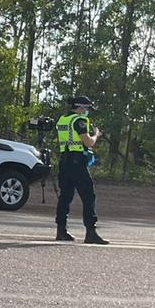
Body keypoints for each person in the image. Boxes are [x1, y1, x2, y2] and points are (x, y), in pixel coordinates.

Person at [55, 96, 107, 244]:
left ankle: (61, 230)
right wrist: (96, 134)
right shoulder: (79, 121)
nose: (87, 111)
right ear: (81, 108)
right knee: (88, 195)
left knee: (65, 196)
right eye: (87, 108)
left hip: (64, 161)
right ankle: (91, 232)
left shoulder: (62, 119)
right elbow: (88, 142)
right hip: (77, 162)